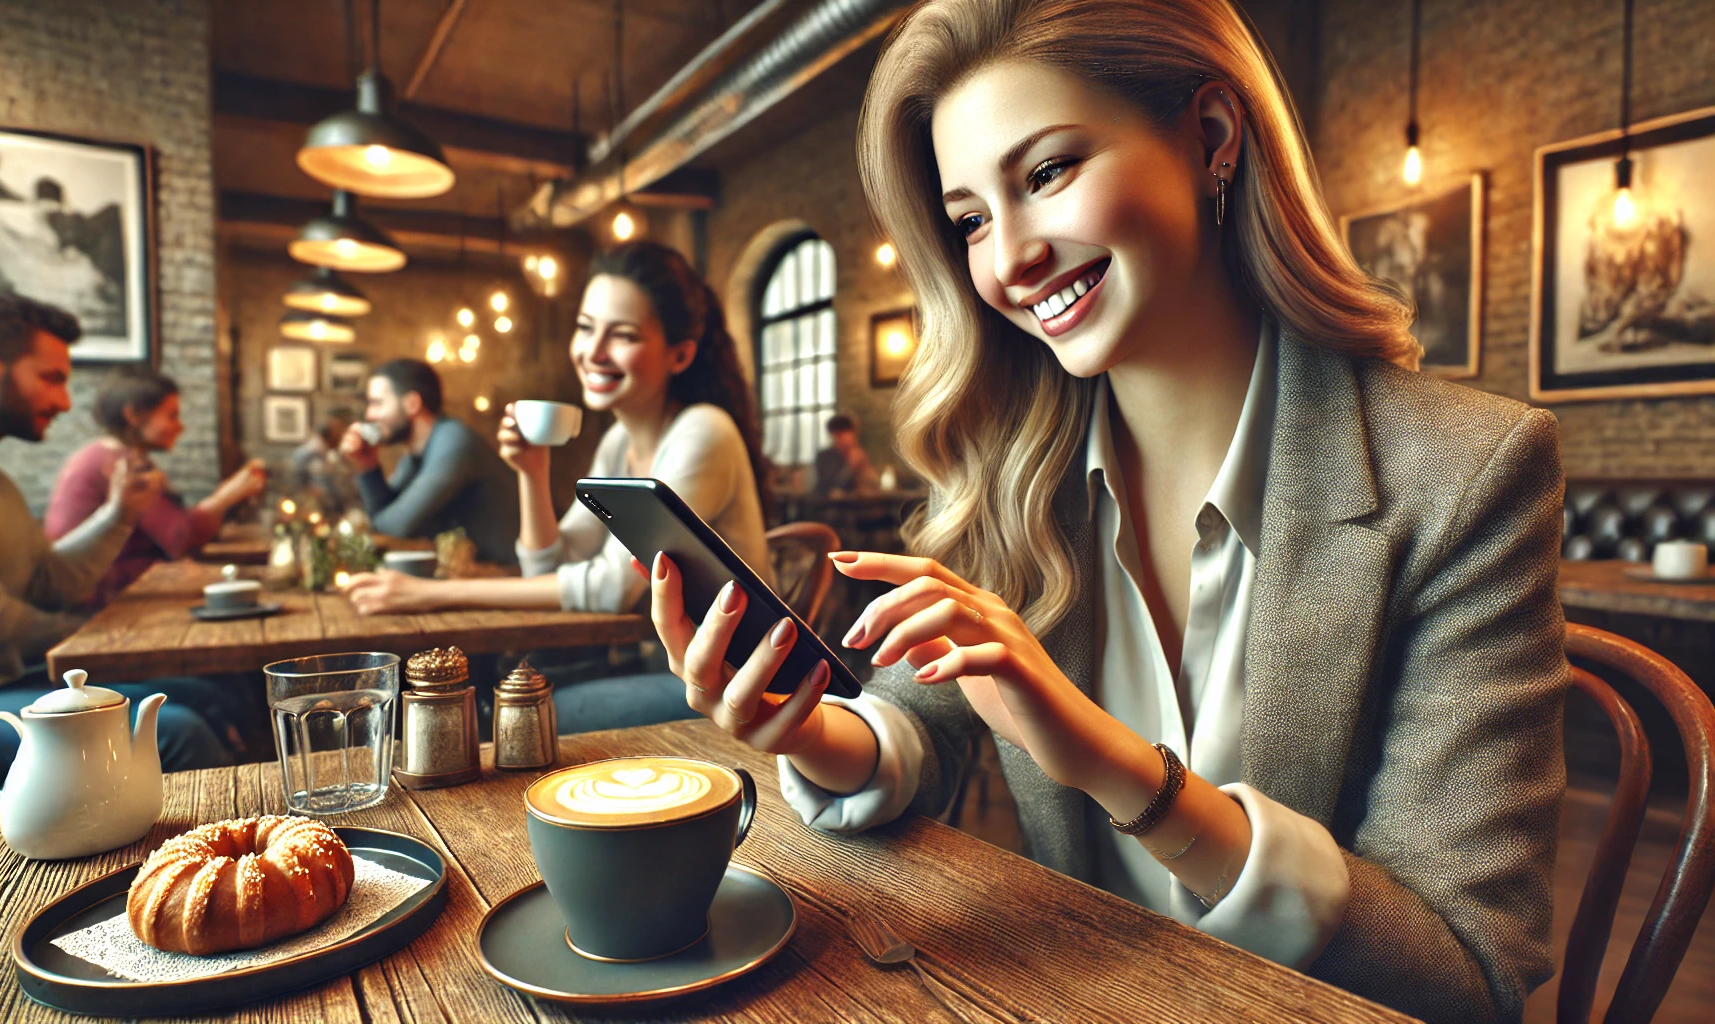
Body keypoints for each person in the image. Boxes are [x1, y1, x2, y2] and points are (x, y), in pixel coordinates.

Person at [644, 4, 1568, 1023]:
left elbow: (1465, 971)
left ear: (1211, 139)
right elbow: (923, 724)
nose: (1007, 260)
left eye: (1046, 172)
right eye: (970, 220)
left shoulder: (1467, 471)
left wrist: (1121, 770)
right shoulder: (1009, 469)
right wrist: (808, 728)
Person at [344, 241, 772, 732]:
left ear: (680, 354)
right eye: (586, 328)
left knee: (522, 716)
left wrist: (429, 594)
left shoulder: (704, 432)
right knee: (509, 701)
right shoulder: (618, 444)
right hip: (673, 669)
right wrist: (532, 472)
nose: (593, 351)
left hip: (739, 684)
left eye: (623, 335)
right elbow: (549, 564)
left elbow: (611, 588)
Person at [0, 290, 238, 794]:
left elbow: (47, 583)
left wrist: (120, 514)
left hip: (1, 683)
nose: (65, 402)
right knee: (177, 733)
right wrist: (91, 635)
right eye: (52, 378)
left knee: (203, 696)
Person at [44, 365, 266, 607]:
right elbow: (180, 538)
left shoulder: (103, 453)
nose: (180, 426)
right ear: (133, 415)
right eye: (172, 415)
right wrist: (227, 496)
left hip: (104, 594)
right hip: (99, 606)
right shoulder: (122, 466)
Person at [339, 359, 519, 564]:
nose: (369, 415)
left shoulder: (454, 441)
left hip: (513, 574)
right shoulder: (416, 454)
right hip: (472, 573)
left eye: (377, 403)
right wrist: (368, 466)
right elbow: (385, 516)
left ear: (412, 404)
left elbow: (395, 527)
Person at [290, 406, 356, 513]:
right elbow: (298, 482)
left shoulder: (336, 453)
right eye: (338, 430)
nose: (341, 434)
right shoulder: (308, 453)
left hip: (337, 506)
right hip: (313, 508)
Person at [809, 413, 878, 495]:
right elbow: (826, 487)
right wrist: (850, 467)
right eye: (839, 435)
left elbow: (873, 483)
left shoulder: (860, 453)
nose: (846, 439)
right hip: (833, 502)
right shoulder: (825, 457)